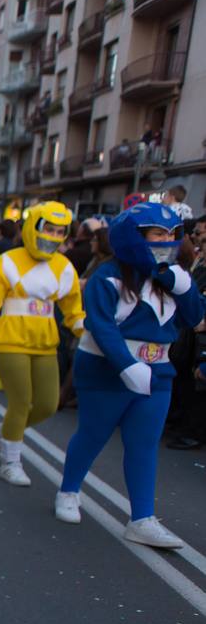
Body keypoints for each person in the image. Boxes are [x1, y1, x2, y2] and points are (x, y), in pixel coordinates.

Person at [55, 203, 204, 546]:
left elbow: (193, 320)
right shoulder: (107, 277)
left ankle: (142, 518)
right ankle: (68, 490)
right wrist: (125, 364)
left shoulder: (173, 276)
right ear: (134, 237)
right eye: (157, 234)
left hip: (158, 372)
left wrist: (185, 287)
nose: (166, 241)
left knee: (144, 444)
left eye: (172, 234)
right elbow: (101, 326)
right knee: (93, 435)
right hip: (106, 370)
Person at [0, 203, 85, 486]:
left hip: (45, 344)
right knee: (20, 403)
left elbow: (74, 309)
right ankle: (10, 461)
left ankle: (2, 433)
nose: (54, 236)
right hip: (10, 342)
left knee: (47, 404)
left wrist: (86, 331)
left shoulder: (64, 266)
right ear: (34, 227)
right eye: (49, 229)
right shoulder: (8, 260)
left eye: (60, 231)